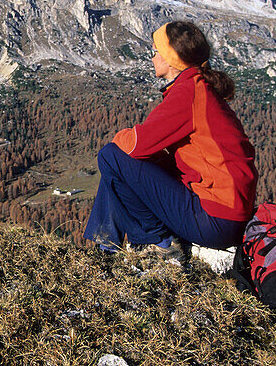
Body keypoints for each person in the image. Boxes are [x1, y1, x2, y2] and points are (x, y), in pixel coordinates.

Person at [83, 20, 257, 253]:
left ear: (170, 57)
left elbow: (137, 145)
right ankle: (106, 245)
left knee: (111, 156)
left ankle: (155, 242)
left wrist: (121, 137)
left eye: (155, 52)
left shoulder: (189, 92)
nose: (152, 58)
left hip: (215, 220)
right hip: (226, 215)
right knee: (120, 163)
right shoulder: (198, 87)